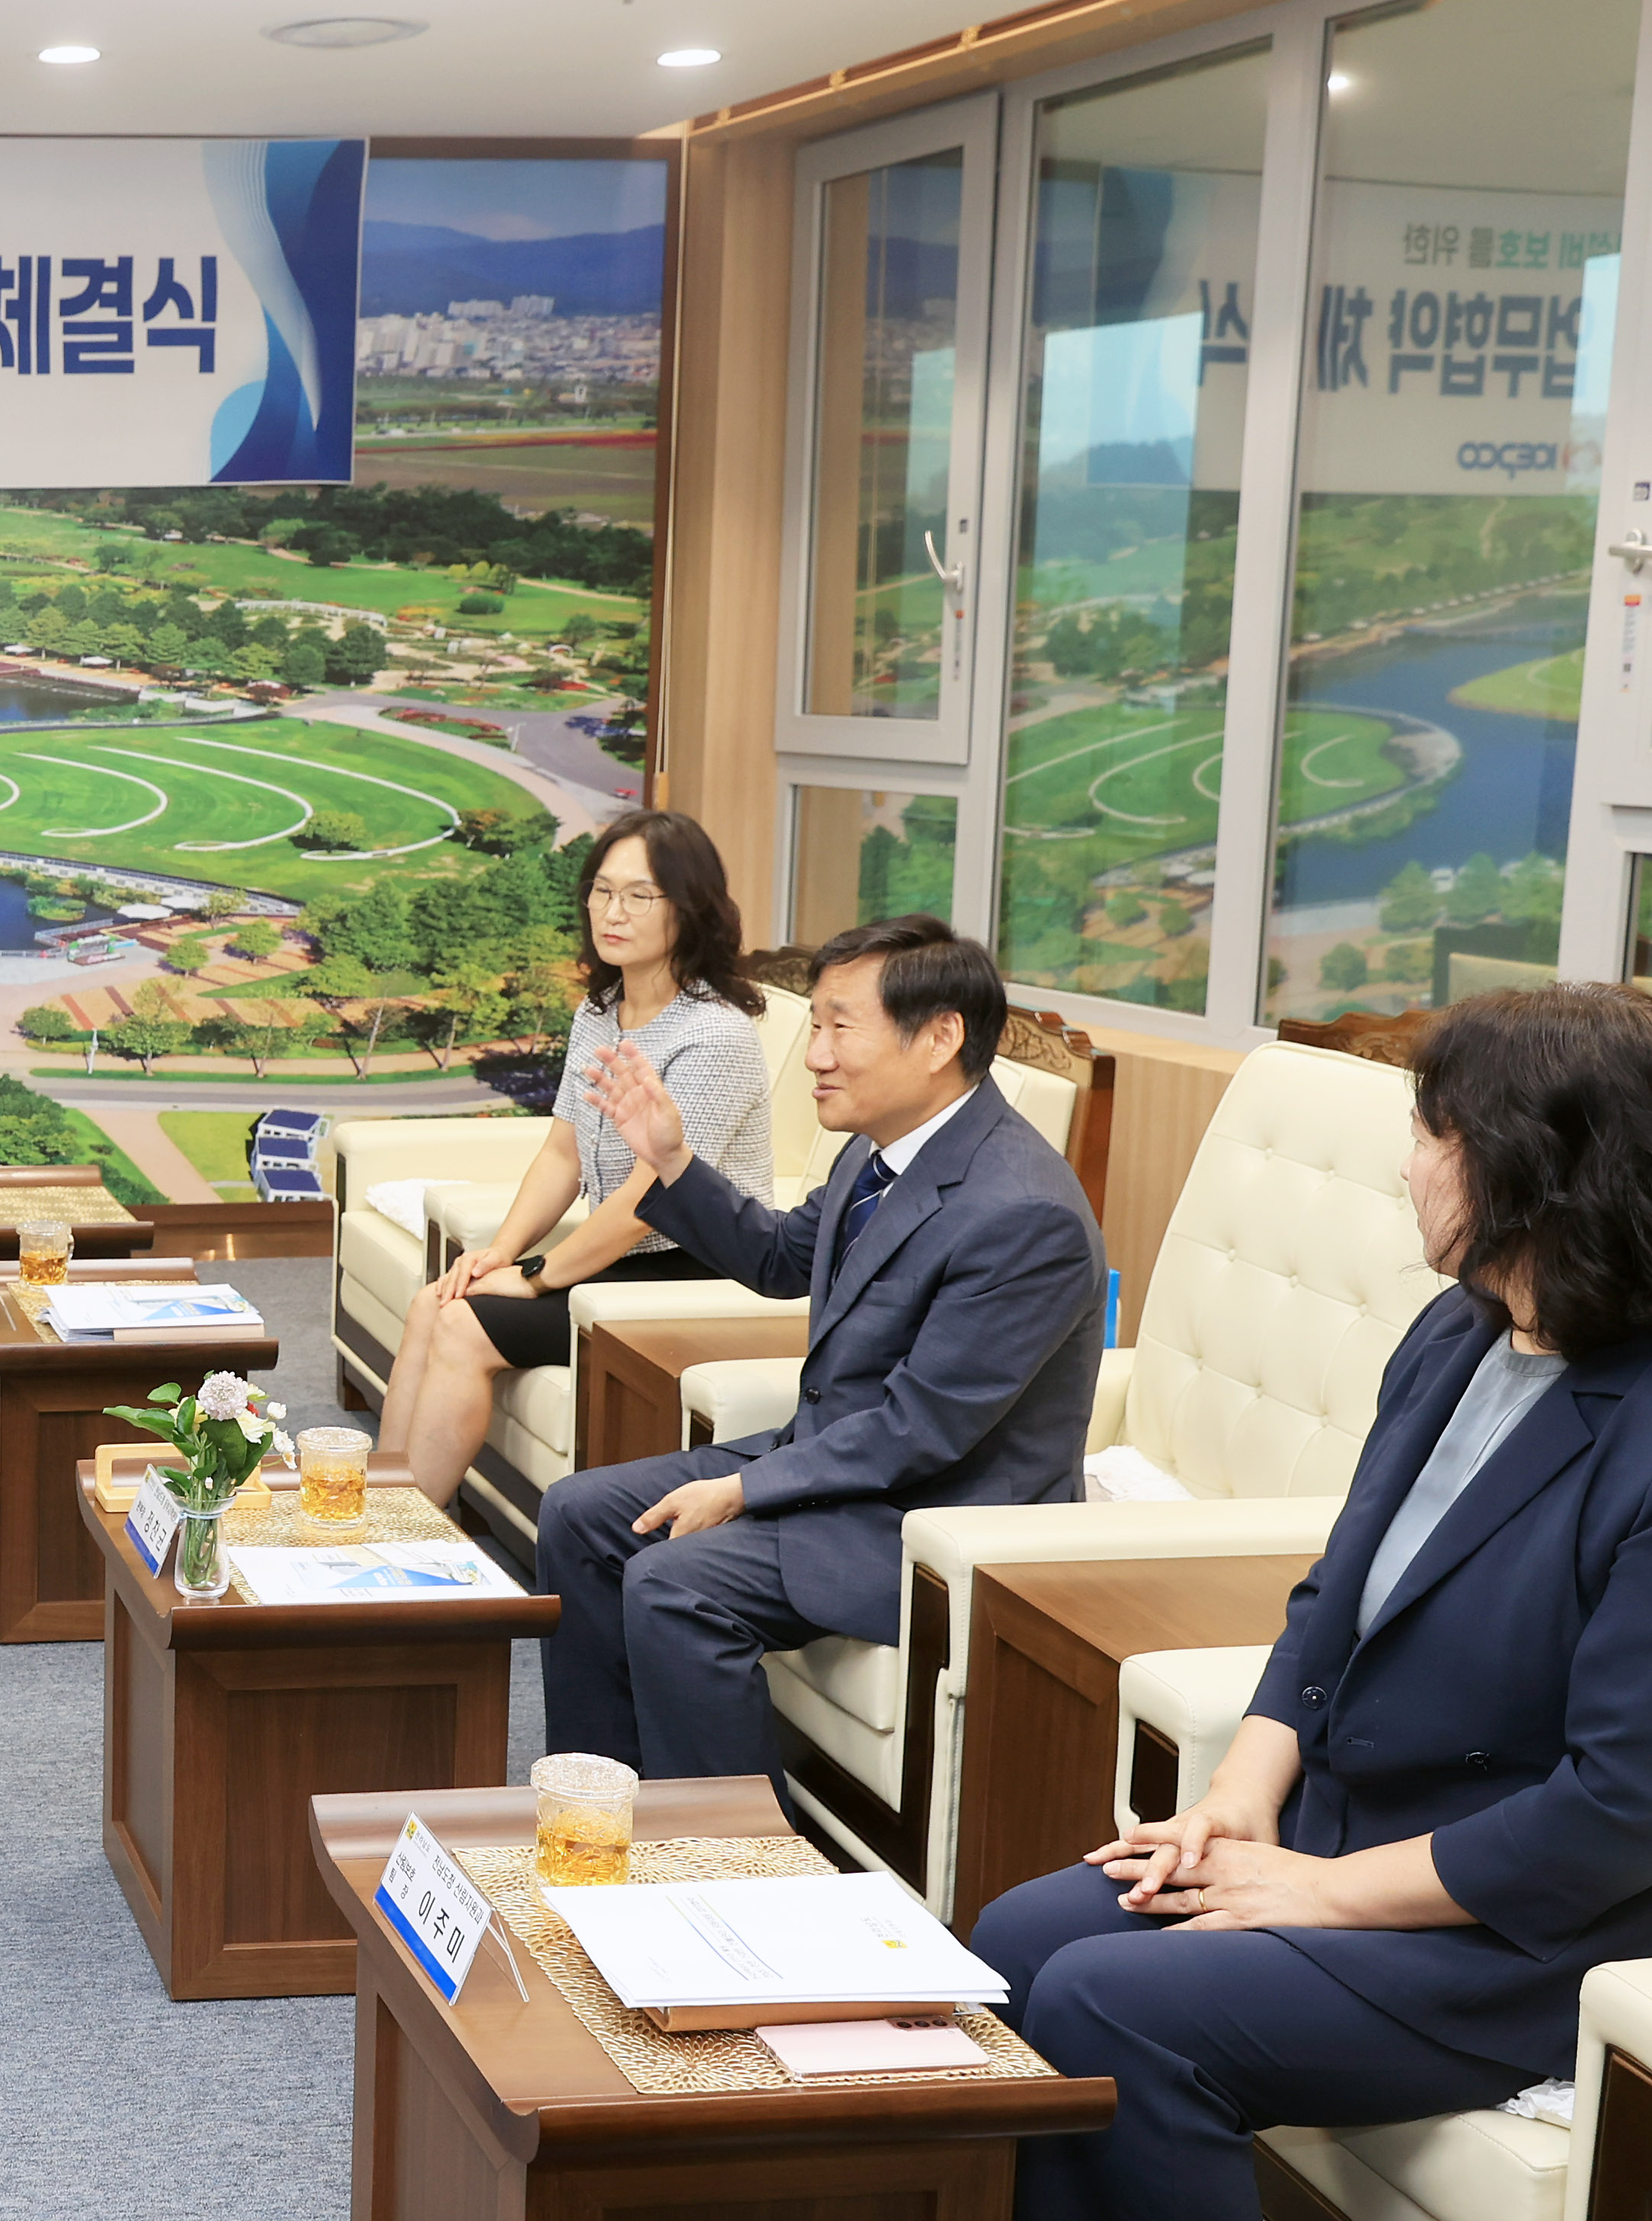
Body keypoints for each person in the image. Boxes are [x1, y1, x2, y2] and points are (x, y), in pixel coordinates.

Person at [975, 985, 1652, 2221]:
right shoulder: (1455, 1337)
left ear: (1536, 1171)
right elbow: (1332, 1598)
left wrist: (1317, 1892)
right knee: (1016, 1939)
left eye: (1431, 1136)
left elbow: (1614, 1812)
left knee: (1110, 2006)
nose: (1406, 1168)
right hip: (1335, 1833)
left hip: (1512, 1933)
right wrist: (1237, 1804)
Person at [548, 912, 1103, 1781]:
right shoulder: (878, 1151)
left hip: (928, 1519)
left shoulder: (1022, 1213)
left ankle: (733, 1864)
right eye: (816, 1024)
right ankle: (599, 1803)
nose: (814, 1054)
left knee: (672, 1582)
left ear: (940, 1038)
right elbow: (778, 1259)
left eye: (841, 1025)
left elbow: (919, 1428)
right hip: (838, 1472)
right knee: (580, 1515)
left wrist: (740, 1488)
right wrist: (670, 1160)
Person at [372, 810, 775, 1505]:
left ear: (690, 908)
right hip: (625, 1259)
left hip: (702, 1266)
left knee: (465, 1327)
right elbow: (563, 1152)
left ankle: (408, 1530)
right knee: (434, 1301)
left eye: (638, 896)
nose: (611, 912)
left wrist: (536, 1276)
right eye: (601, 890)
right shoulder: (600, 1012)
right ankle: (370, 1509)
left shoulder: (716, 1035)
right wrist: (500, 1254)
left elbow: (653, 1203)